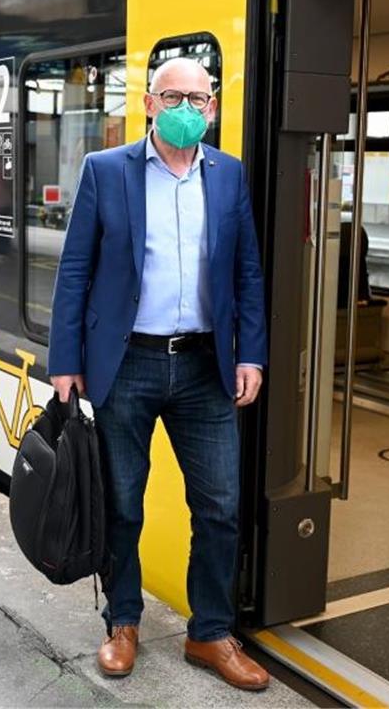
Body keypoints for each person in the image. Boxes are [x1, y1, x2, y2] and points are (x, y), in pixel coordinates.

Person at [47, 57, 270, 691]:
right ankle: (123, 622)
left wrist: (249, 352)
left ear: (214, 107)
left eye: (200, 99)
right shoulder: (105, 171)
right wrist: (66, 362)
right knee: (122, 505)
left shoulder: (228, 176)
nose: (188, 108)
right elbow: (75, 273)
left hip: (205, 365)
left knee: (221, 506)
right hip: (127, 362)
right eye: (175, 96)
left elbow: (246, 273)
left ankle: (210, 633)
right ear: (149, 103)